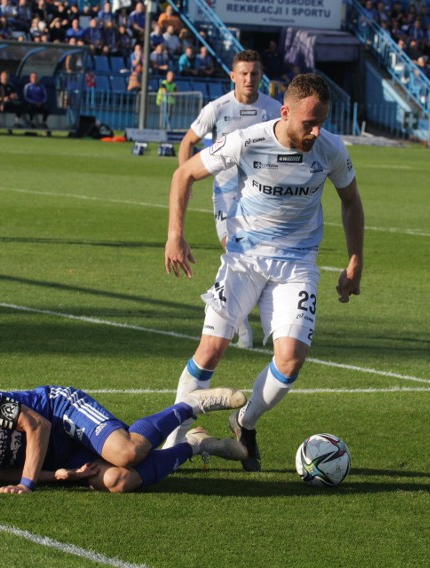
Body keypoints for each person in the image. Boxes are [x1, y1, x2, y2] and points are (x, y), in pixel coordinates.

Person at [163, 74, 365, 471]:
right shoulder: (247, 141)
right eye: (309, 122)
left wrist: (355, 260)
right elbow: (183, 174)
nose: (316, 130)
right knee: (211, 350)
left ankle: (244, 420)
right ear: (285, 112)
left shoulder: (330, 149)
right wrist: (175, 234)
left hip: (297, 265)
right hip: (243, 260)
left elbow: (351, 201)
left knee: (290, 360)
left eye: (322, 121)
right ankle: (171, 443)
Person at [0, 384, 247, 493]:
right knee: (121, 481)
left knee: (127, 452)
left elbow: (36, 425)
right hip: (51, 459)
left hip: (59, 414)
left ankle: (190, 406)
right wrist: (56, 477)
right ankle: (197, 445)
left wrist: (29, 483)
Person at [171, 49, 281, 356]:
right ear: (233, 76)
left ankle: (264, 320)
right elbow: (187, 142)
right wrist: (186, 178)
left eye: (254, 73)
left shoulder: (274, 108)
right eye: (243, 73)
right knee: (233, 249)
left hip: (262, 194)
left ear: (261, 76)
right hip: (227, 193)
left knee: (259, 256)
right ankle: (240, 322)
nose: (249, 79)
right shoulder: (217, 108)